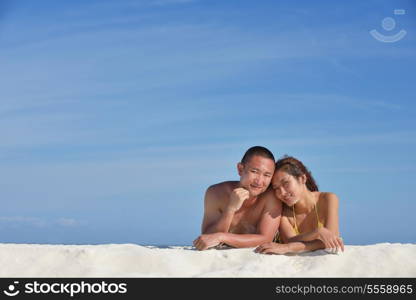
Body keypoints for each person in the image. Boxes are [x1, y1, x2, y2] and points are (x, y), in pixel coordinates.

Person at [193, 146, 282, 250]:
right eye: (254, 171)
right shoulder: (215, 193)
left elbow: (266, 239)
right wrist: (230, 209)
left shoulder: (271, 197)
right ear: (240, 169)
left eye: (267, 175)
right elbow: (207, 238)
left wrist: (222, 237)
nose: (259, 181)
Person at [255, 155, 344, 255]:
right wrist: (317, 232)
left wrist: (289, 247)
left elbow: (333, 239)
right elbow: (289, 240)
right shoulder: (284, 211)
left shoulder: (328, 199)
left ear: (302, 178)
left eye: (286, 183)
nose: (282, 192)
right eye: (276, 188)